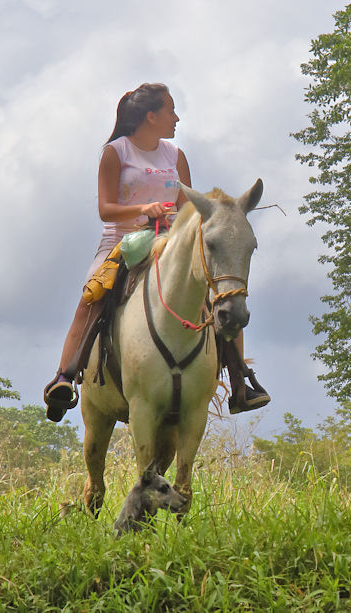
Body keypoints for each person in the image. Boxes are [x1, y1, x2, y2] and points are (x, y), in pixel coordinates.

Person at [43, 82, 269, 422]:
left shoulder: (175, 155)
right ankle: (65, 377)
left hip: (169, 239)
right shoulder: (115, 152)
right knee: (92, 298)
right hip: (123, 239)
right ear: (151, 116)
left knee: (222, 293)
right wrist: (143, 209)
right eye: (171, 110)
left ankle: (240, 382)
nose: (176, 118)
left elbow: (186, 207)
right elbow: (105, 209)